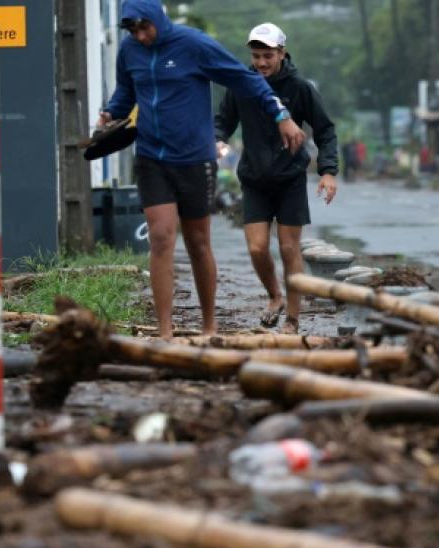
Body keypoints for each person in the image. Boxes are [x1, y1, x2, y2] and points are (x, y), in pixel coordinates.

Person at [97, 0, 306, 339]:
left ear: (157, 18)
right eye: (132, 30)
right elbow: (125, 92)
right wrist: (111, 114)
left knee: (197, 242)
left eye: (144, 27)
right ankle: (165, 332)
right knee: (161, 237)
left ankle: (209, 326)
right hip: (151, 156)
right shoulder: (129, 50)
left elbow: (243, 79)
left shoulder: (193, 44)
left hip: (194, 159)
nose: (140, 36)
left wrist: (280, 114)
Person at [214, 23, 338, 335]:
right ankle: (275, 296)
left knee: (288, 248)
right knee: (257, 248)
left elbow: (325, 130)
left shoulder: (300, 87)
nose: (261, 63)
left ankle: (293, 319)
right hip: (254, 178)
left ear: (282, 53)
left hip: (290, 178)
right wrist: (217, 140)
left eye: (268, 56)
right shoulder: (241, 85)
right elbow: (223, 121)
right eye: (256, 56)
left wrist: (328, 171)